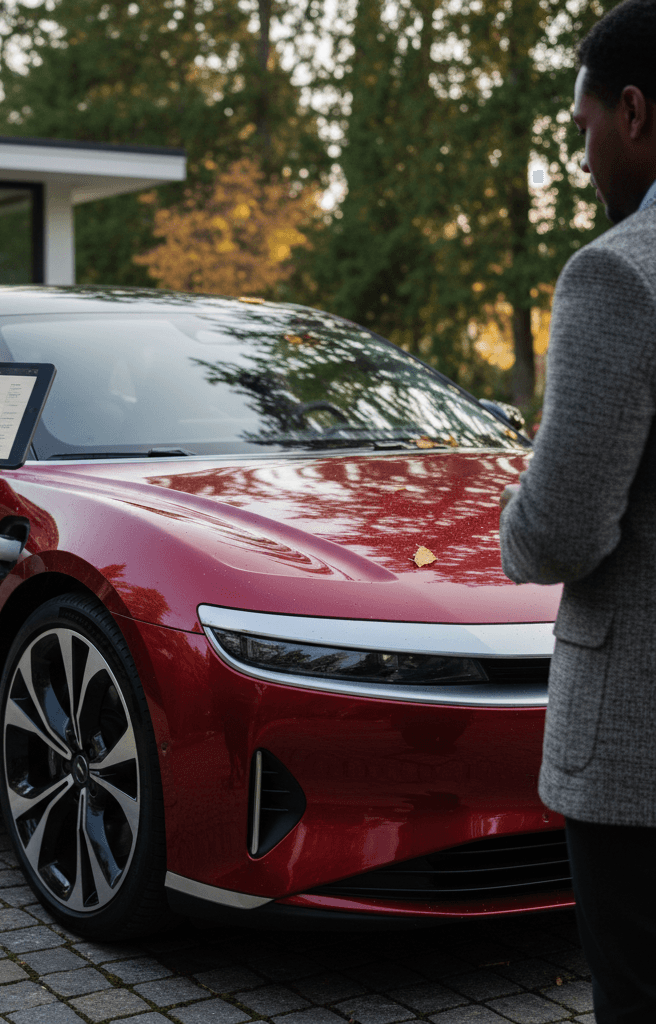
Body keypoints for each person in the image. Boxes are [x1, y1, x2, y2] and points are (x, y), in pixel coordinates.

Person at [498, 1, 656, 1019]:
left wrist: (512, 512)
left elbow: (556, 530)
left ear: (633, 112)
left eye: (584, 126)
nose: (583, 154)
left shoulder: (619, 272)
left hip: (639, 759)